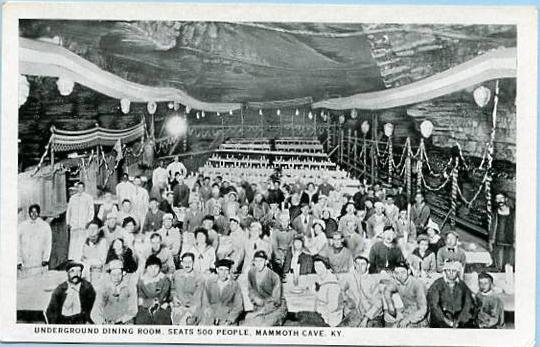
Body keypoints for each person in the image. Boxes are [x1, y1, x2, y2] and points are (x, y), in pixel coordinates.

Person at [243, 250, 288, 326]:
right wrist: (255, 299)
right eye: (256, 261)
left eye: (261, 261)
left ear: (266, 262)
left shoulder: (274, 277)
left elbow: (276, 301)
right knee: (249, 322)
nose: (258, 264)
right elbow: (251, 290)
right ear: (253, 262)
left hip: (276, 309)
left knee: (265, 326)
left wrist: (259, 312)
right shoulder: (251, 273)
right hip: (260, 307)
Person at [427, 261, 476, 328]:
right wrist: (445, 320)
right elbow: (434, 306)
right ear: (445, 271)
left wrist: (460, 320)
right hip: (441, 319)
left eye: (454, 271)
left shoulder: (462, 285)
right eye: (448, 270)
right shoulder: (437, 285)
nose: (451, 273)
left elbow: (468, 304)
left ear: (458, 272)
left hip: (459, 319)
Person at [340, 256, 384, 327]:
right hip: (353, 315)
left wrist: (366, 318)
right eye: (357, 264)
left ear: (368, 265)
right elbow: (340, 290)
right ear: (354, 264)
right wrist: (347, 299)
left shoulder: (373, 280)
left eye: (363, 264)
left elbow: (378, 304)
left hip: (372, 316)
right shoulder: (349, 277)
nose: (360, 267)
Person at [91, 259, 138, 324]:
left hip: (125, 321)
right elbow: (96, 310)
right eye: (114, 275)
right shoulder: (104, 287)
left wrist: (121, 320)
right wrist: (102, 323)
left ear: (123, 273)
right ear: (109, 275)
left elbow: (133, 310)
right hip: (107, 321)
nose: (117, 278)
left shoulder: (130, 285)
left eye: (119, 274)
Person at [382, 261, 428, 328]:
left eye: (403, 272)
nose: (400, 275)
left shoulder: (417, 284)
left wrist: (408, 319)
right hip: (406, 313)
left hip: (419, 319)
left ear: (409, 271)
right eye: (397, 273)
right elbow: (387, 289)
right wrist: (390, 304)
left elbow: (423, 310)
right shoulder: (398, 281)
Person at [200, 259, 244, 326]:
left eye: (226, 270)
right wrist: (209, 314)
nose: (223, 273)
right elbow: (205, 302)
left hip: (227, 319)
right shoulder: (210, 283)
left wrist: (229, 320)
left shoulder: (234, 285)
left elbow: (238, 307)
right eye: (221, 270)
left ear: (229, 271)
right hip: (211, 317)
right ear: (217, 270)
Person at [135, 255, 172, 325]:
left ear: (160, 268)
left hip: (161, 305)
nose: (153, 270)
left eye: (156, 267)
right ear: (146, 268)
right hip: (145, 306)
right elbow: (140, 297)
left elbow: (164, 295)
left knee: (162, 320)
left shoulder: (164, 280)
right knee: (141, 320)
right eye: (150, 267)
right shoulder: (142, 280)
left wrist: (157, 303)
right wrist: (149, 303)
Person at [17, 204, 52, 277]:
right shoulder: (22, 226)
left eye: (36, 212)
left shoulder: (45, 226)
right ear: (29, 213)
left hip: (39, 261)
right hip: (26, 262)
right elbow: (17, 244)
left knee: (39, 281)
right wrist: (18, 261)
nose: (33, 214)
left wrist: (46, 259)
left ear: (39, 213)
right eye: (31, 212)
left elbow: (48, 243)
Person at [171, 252, 205, 325]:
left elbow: (198, 299)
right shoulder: (176, 274)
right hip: (177, 307)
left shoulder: (199, 277)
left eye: (190, 262)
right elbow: (172, 289)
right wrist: (174, 297)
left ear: (193, 263)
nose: (187, 264)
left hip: (192, 308)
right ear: (182, 263)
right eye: (185, 262)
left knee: (188, 323)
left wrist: (189, 311)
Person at [66, 181, 95, 261]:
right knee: (73, 241)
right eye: (79, 188)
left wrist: (89, 221)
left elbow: (91, 211)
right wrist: (68, 222)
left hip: (84, 224)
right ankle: (72, 258)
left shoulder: (88, 198)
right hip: (74, 224)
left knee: (83, 241)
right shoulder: (72, 198)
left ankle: (81, 258)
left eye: (82, 188)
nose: (80, 189)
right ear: (77, 188)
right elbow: (69, 211)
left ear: (84, 188)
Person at [312, 255, 344, 327]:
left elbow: (333, 306)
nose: (317, 269)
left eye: (320, 266)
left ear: (326, 267)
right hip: (321, 312)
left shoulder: (333, 283)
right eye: (315, 266)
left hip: (332, 317)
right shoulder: (319, 278)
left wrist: (321, 314)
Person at [489, 192, 515, 271]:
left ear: (506, 199)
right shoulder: (495, 213)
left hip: (510, 242)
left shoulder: (513, 213)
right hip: (498, 242)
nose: (499, 201)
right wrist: (491, 240)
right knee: (499, 265)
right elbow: (493, 227)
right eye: (497, 199)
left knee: (509, 266)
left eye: (501, 198)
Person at [270, 212, 296, 277]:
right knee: (277, 261)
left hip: (289, 253)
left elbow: (294, 244)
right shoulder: (276, 232)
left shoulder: (293, 232)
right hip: (278, 252)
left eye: (286, 221)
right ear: (280, 222)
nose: (284, 223)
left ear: (289, 222)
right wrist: (278, 253)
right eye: (282, 221)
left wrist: (288, 252)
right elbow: (274, 245)